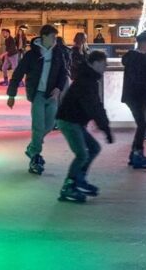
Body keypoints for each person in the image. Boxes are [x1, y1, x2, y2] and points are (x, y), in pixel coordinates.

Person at [7, 25, 68, 175]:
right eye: (53, 37)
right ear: (44, 37)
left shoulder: (58, 53)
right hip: (38, 95)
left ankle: (32, 149)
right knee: (38, 126)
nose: (55, 39)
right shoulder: (32, 55)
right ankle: (35, 156)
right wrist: (11, 94)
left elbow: (63, 73)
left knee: (50, 125)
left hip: (52, 95)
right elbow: (18, 73)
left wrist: (59, 88)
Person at [55, 51, 114, 203]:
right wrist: (105, 128)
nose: (105, 67)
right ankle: (68, 187)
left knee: (94, 148)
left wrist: (105, 127)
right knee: (82, 154)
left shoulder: (91, 79)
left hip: (76, 121)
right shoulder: (86, 81)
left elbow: (97, 106)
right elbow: (93, 107)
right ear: (95, 63)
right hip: (69, 120)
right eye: (103, 64)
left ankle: (79, 179)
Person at [121, 30, 146, 169]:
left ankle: (136, 153)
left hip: (136, 95)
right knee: (143, 124)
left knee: (143, 123)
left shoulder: (139, 57)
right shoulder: (138, 58)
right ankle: (137, 154)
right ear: (145, 42)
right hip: (136, 96)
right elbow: (139, 78)